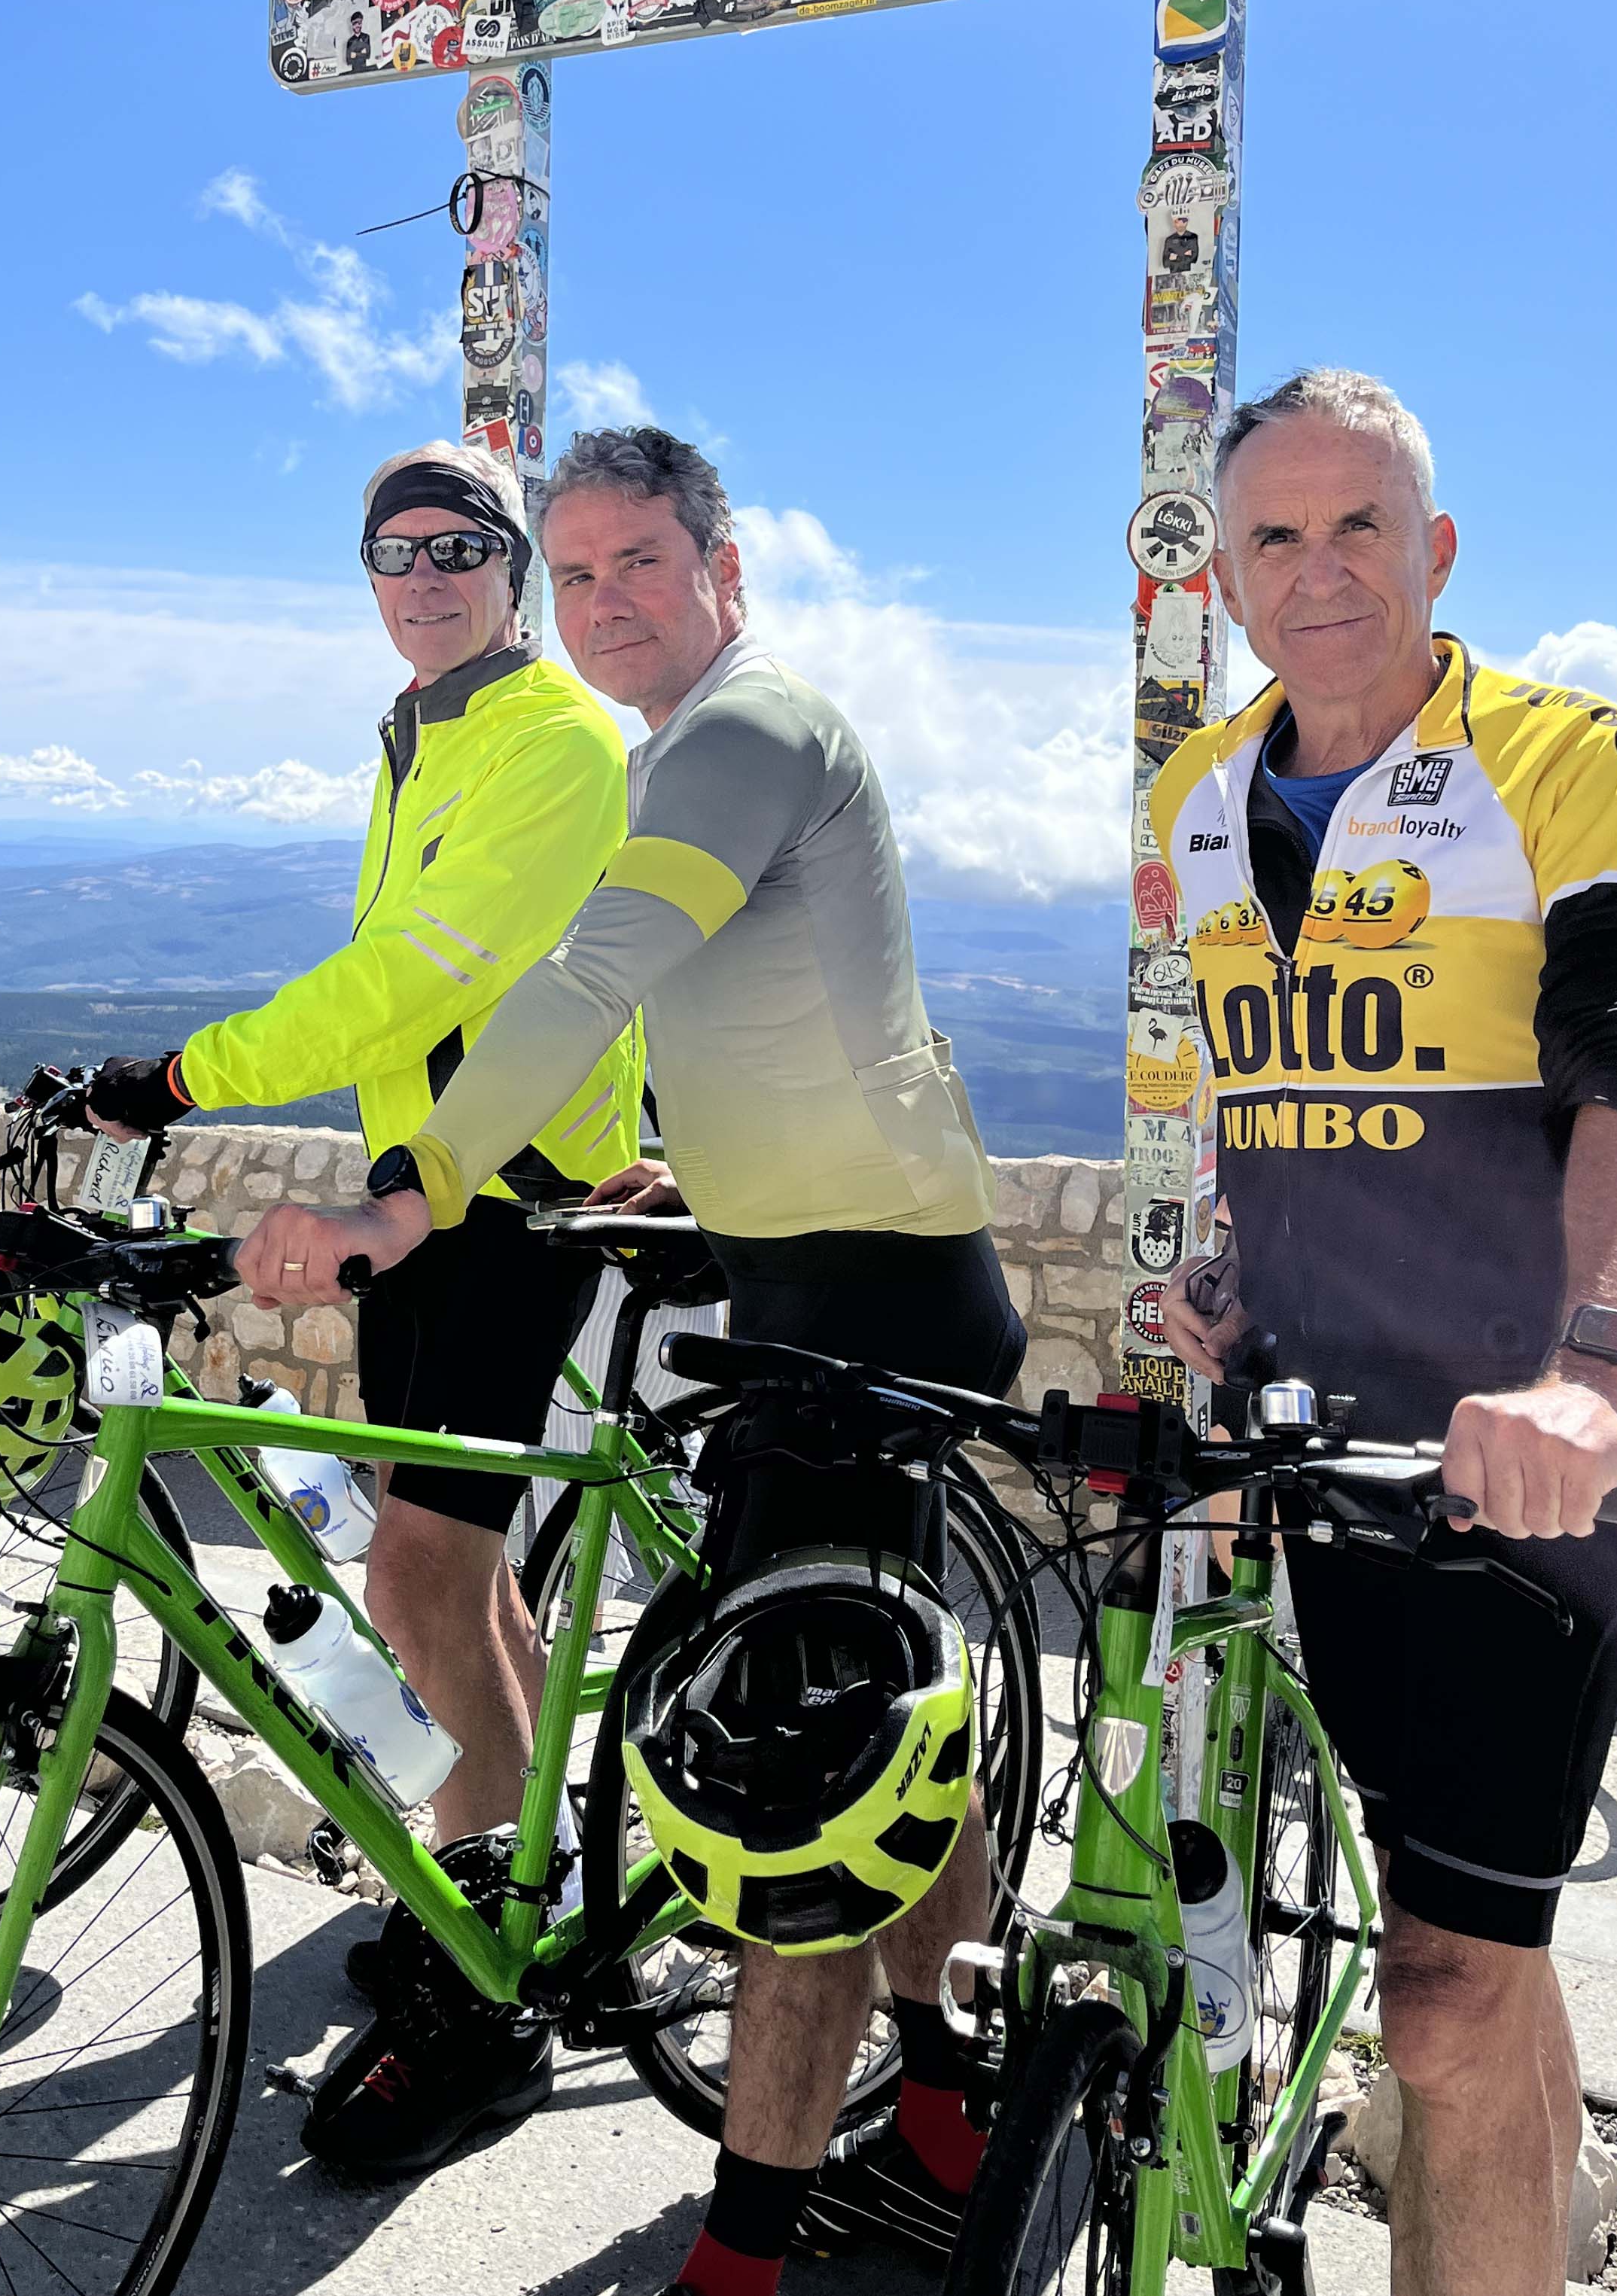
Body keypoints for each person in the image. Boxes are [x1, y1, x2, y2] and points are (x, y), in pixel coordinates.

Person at [236, 425, 1024, 2255]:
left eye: (635, 564)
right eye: (575, 571)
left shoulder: (742, 732)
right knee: (877, 1729)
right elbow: (718, 997)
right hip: (804, 1268)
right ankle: (944, 2073)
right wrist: (691, 1149)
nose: (602, 602)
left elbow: (588, 972)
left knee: (805, 1782)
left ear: (721, 569)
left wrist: (398, 1193)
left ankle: (800, 2199)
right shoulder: (679, 748)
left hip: (873, 1295)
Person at [1146, 369, 1617, 2296]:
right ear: (1223, 575)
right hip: (1314, 1415)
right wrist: (1225, 1274)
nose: (1318, 571)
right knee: (1474, 1941)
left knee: (1439, 1993)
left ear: (1434, 546)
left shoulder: (1567, 754)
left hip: (1527, 1424)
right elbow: (1262, 1090)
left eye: (1358, 524)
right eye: (1275, 535)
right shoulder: (1196, 793)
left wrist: (1602, 1362)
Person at [85, 438, 641, 1863]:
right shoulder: (421, 730)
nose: (422, 577)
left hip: (511, 1199)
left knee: (415, 1566)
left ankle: (479, 1925)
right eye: (392, 553)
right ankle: (521, 1860)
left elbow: (409, 974)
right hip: (422, 1197)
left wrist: (176, 1079)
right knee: (442, 1562)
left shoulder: (554, 741)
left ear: (512, 569)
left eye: (456, 547)